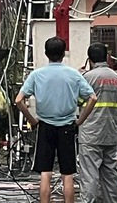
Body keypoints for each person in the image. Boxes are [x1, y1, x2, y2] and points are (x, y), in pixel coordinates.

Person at [16, 37, 98, 203]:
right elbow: (93, 98)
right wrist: (80, 120)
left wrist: (32, 120)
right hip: (67, 127)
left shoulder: (37, 75)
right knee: (67, 174)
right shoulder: (73, 74)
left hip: (45, 126)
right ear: (63, 53)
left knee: (45, 173)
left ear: (46, 54)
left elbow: (18, 100)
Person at [79, 43, 117, 203]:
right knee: (110, 174)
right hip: (110, 133)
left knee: (89, 175)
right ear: (107, 57)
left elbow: (78, 103)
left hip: (90, 135)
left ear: (90, 59)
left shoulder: (87, 78)